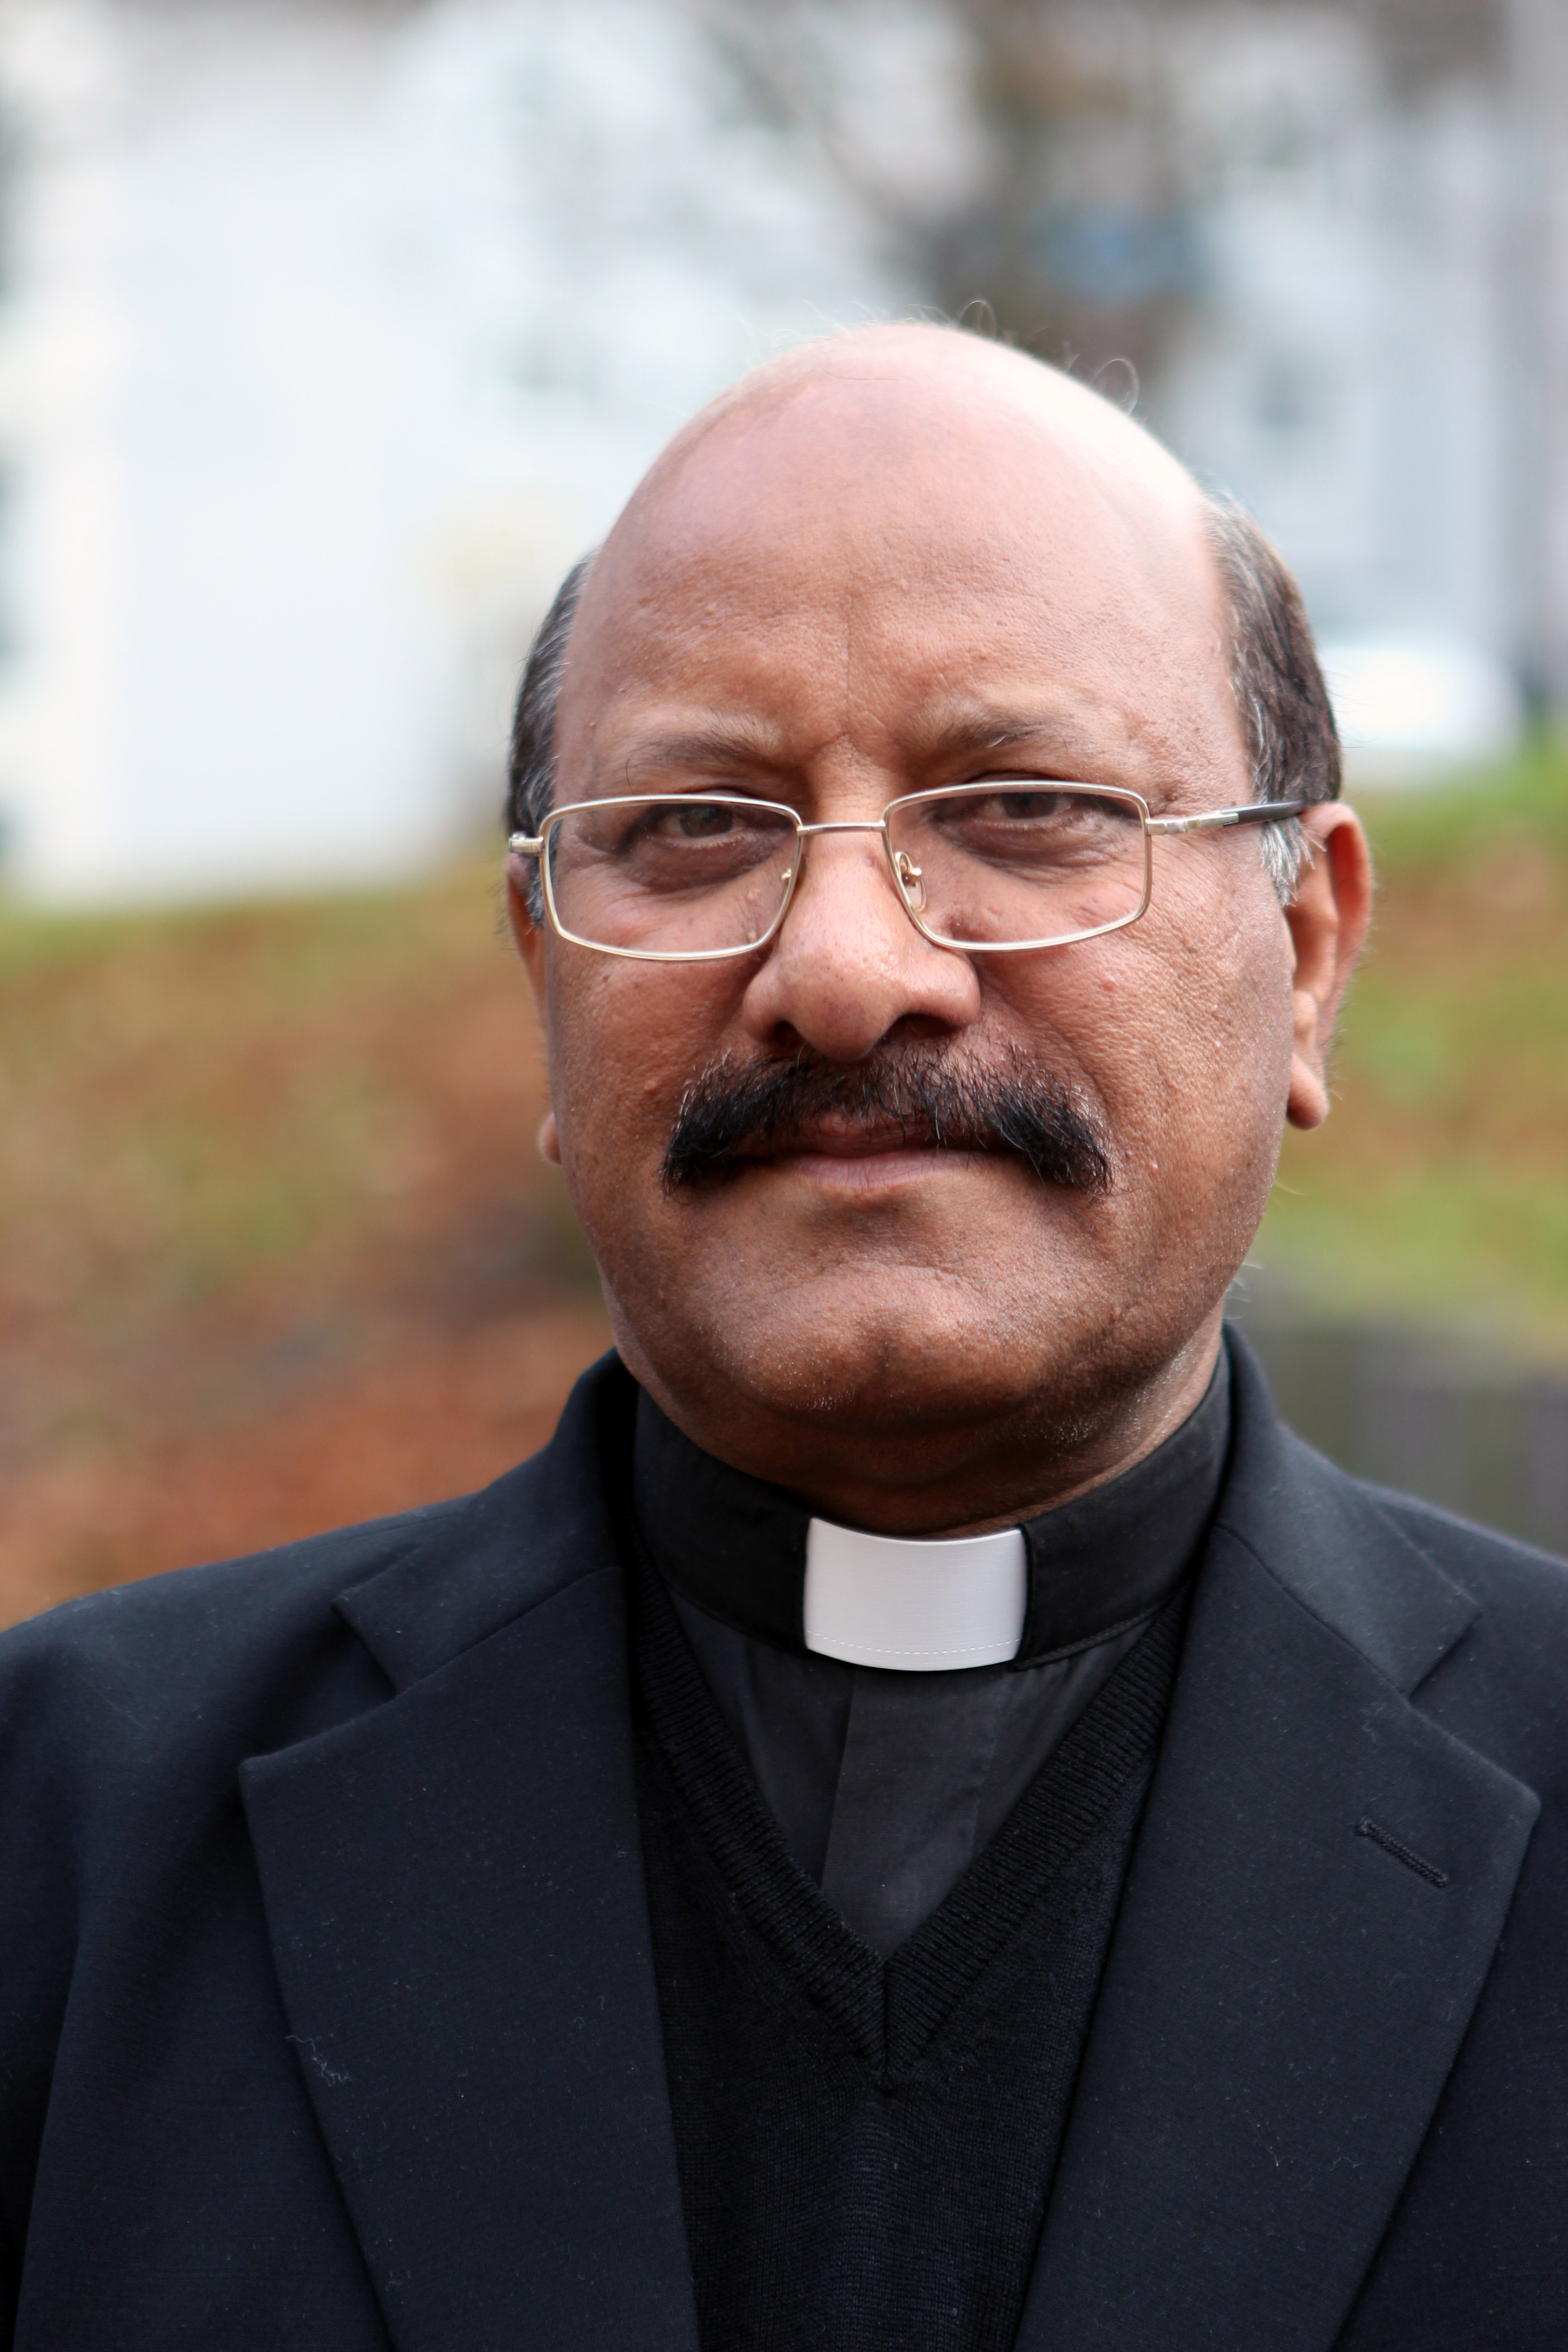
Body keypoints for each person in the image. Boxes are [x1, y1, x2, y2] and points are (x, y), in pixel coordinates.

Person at [0, 324, 1563, 2352]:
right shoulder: (60, 1841)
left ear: (1308, 956)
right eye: (695, 829)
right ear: (546, 980)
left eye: (1024, 806)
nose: (842, 970)